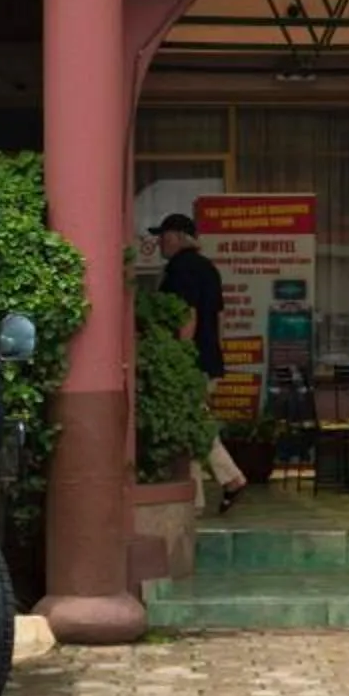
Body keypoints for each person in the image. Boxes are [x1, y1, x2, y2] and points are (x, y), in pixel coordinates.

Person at [153, 212, 246, 509]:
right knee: (192, 423)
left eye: (163, 236)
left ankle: (229, 480)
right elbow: (219, 317)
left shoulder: (180, 269)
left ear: (179, 237)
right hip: (208, 359)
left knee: (193, 423)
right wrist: (214, 356)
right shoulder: (208, 268)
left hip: (189, 360)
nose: (159, 243)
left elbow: (187, 314)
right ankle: (198, 498)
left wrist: (179, 359)